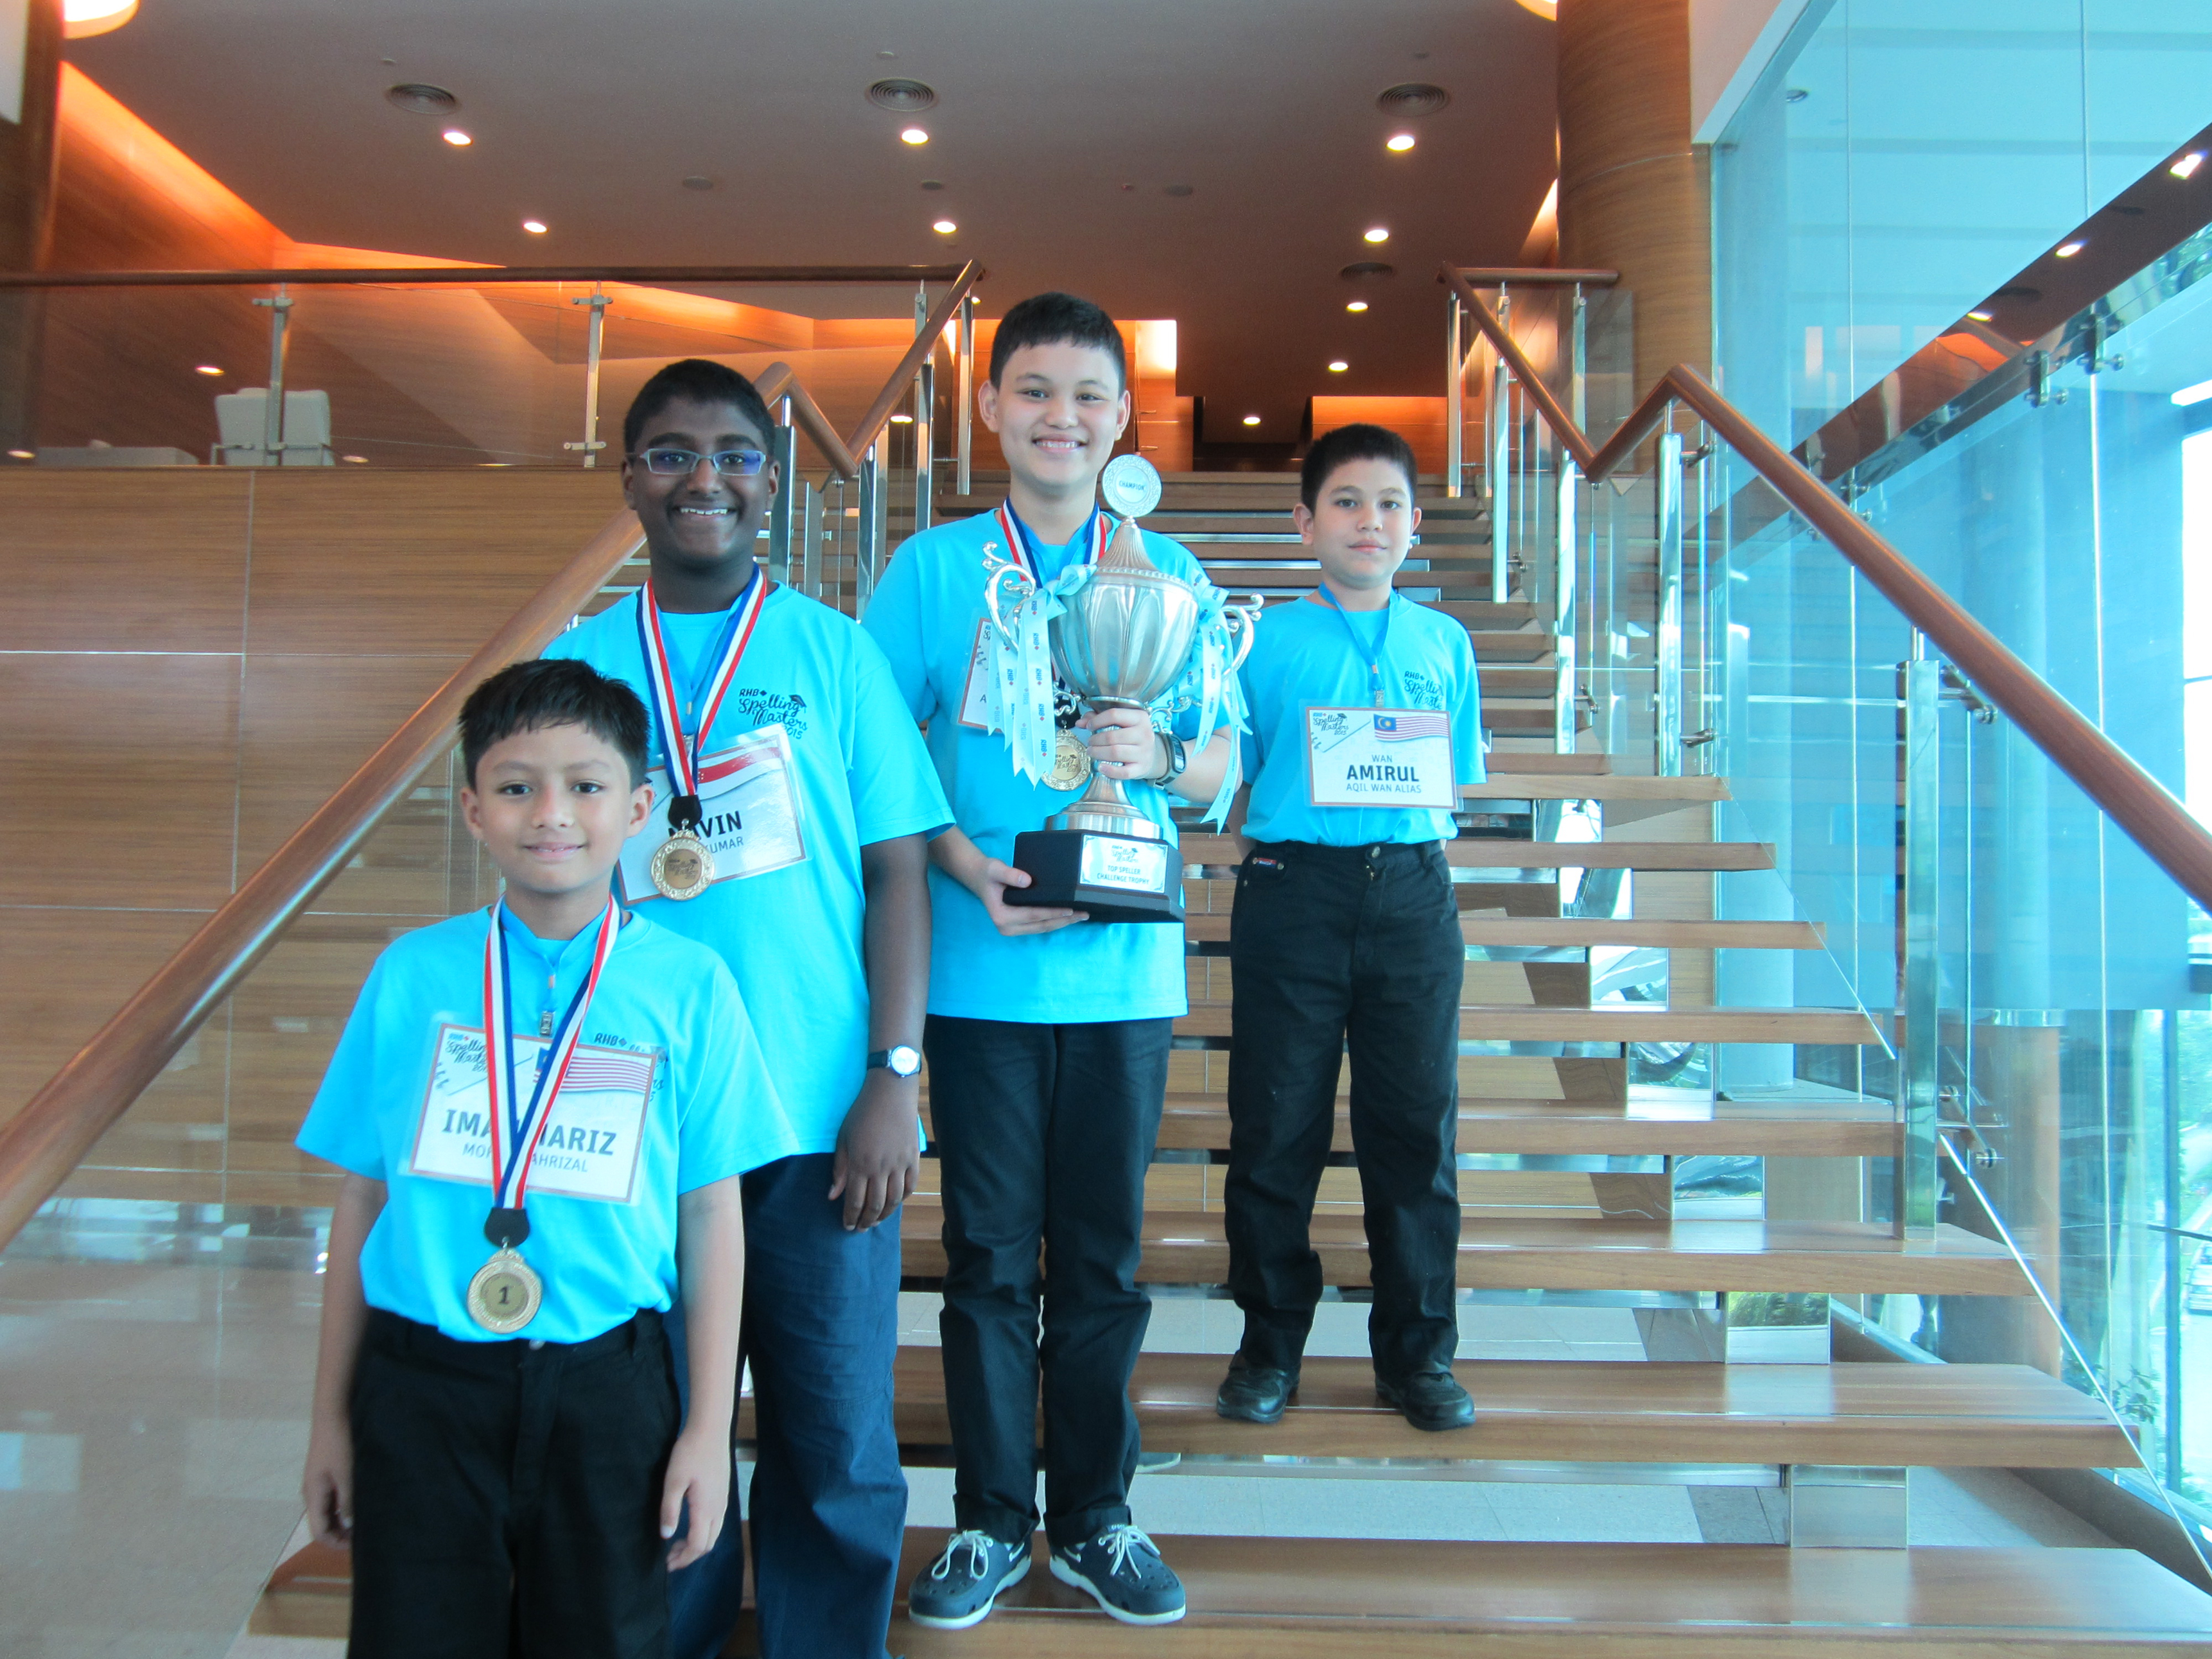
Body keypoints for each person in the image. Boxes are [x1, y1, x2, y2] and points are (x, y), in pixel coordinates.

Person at [543, 358, 949, 1659]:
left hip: (817, 1119)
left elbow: (896, 874)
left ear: (770, 481)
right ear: (629, 480)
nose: (701, 476)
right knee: (653, 1433)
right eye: (668, 452)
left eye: (731, 452)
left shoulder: (832, 654)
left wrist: (894, 1073)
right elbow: (542, 880)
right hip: (631, 1120)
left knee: (832, 1434)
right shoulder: (584, 660)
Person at [297, 657, 799, 1658]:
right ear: (473, 809)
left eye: (586, 786)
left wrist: (707, 1431)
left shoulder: (690, 986)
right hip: (421, 1388)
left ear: (641, 807)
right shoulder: (414, 976)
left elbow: (710, 1218)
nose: (551, 815)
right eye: (517, 787)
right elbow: (363, 1200)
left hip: (609, 1396)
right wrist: (329, 1421)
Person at [863, 291, 1234, 1631]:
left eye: (1086, 393)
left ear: (1122, 418)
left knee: (1102, 1260)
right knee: (982, 1258)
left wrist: (1159, 757)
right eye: (1033, 390)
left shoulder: (1170, 577)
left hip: (1126, 977)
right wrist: (964, 862)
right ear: (989, 408)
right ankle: (986, 1516)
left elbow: (1222, 761)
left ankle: (1093, 1512)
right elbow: (880, 747)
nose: (1059, 415)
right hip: (976, 970)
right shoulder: (930, 570)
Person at [1214, 423, 1485, 1434]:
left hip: (1412, 896)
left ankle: (1417, 1356)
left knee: (1413, 1133)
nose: (1367, 521)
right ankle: (1267, 1344)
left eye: (1386, 505)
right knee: (1274, 1127)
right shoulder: (1264, 640)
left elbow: (1456, 771)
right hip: (1295, 894)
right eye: (1343, 502)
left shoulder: (1443, 643)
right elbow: (1225, 773)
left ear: (1414, 526)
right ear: (1303, 523)